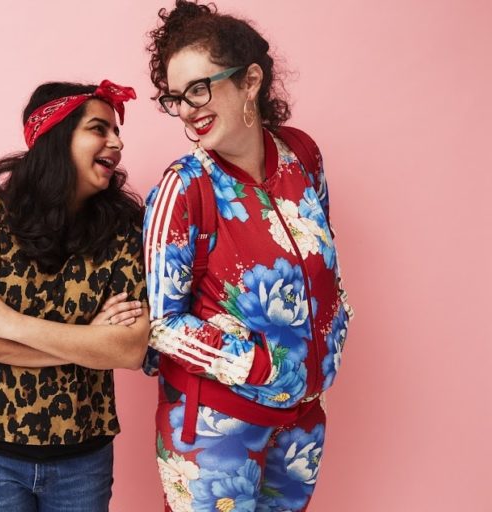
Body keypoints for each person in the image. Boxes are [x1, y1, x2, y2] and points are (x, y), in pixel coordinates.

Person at [142, 2, 353, 511]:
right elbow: (162, 324)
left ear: (250, 80)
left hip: (302, 419)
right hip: (215, 427)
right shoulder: (184, 187)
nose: (187, 108)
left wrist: (338, 325)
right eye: (176, 97)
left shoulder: (302, 156)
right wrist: (258, 365)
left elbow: (322, 251)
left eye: (199, 88)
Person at [0, 80, 149, 512]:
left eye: (116, 131)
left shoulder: (124, 230)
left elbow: (129, 350)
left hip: (83, 458)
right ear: (57, 137)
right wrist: (89, 344)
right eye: (99, 129)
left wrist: (8, 323)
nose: (117, 142)